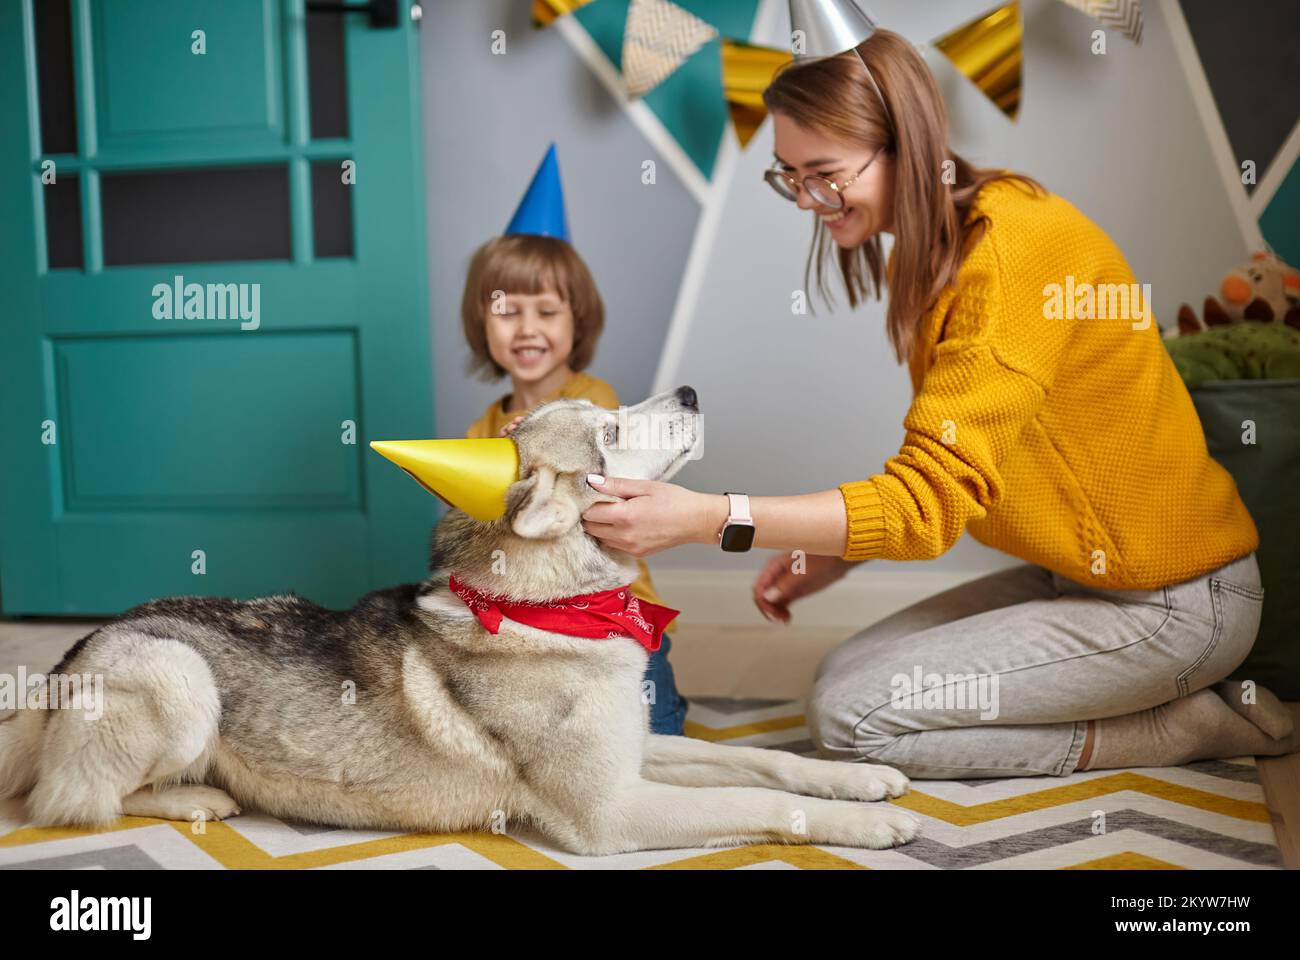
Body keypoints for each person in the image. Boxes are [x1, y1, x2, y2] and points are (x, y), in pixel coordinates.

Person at [578, 32, 1297, 777]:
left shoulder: (1009, 254)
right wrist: (841, 549)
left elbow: (926, 504)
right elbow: (954, 468)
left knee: (852, 718)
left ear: (905, 148)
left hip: (1174, 605)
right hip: (1077, 580)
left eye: (823, 175)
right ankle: (1135, 698)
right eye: (788, 176)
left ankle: (1179, 729)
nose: (805, 201)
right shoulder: (944, 247)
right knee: (849, 671)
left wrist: (706, 517)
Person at [460, 147, 688, 736]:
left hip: (613, 608)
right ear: (482, 326)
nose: (527, 328)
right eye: (507, 312)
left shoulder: (598, 401)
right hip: (530, 616)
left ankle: (663, 703)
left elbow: (604, 497)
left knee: (654, 739)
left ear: (576, 322)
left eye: (547, 311)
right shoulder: (480, 432)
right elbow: (479, 540)